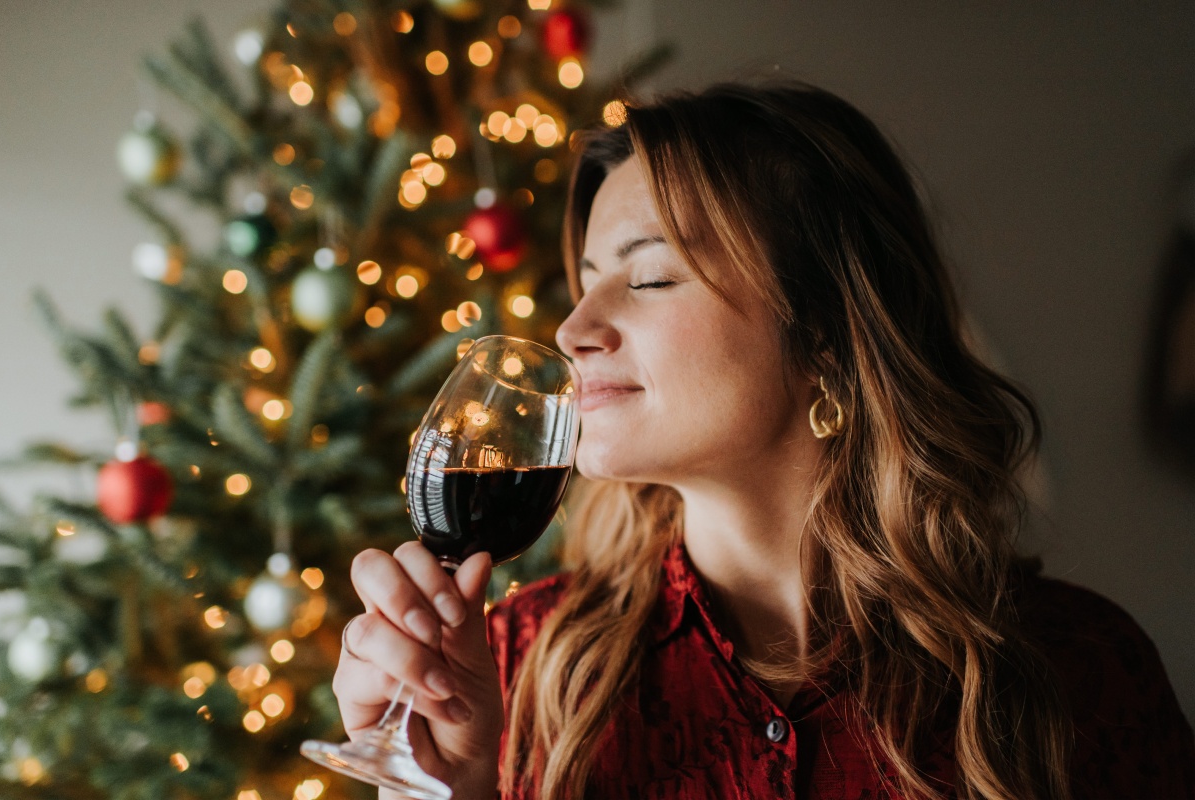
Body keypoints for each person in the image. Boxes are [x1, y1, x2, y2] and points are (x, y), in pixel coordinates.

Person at [334, 82, 1195, 799]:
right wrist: (450, 784)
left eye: (651, 277)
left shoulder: (1077, 670)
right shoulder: (515, 663)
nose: (573, 329)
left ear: (823, 330)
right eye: (587, 283)